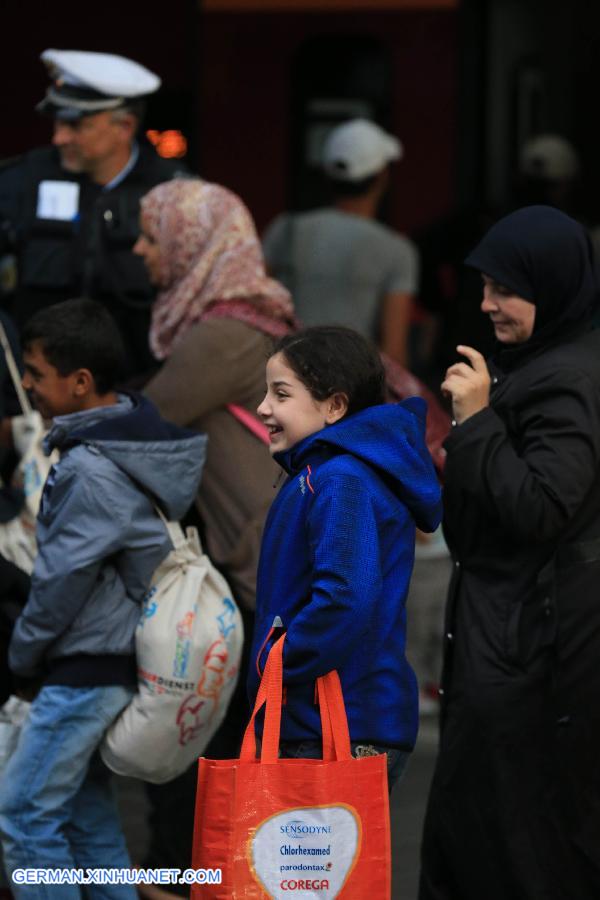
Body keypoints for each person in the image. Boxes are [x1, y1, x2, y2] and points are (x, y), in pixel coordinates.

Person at [419, 206, 600, 899]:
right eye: (486, 286)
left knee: (517, 840)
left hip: (534, 651)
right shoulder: (548, 361)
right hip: (521, 638)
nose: (487, 304)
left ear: (551, 288)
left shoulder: (568, 380)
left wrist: (478, 421)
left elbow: (542, 507)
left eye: (505, 290)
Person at [0, 298, 205, 897]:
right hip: (106, 660)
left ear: (80, 382)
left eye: (35, 374)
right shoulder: (121, 448)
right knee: (87, 826)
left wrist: (22, 654)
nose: (28, 387)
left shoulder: (92, 469)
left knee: (25, 818)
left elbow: (61, 580)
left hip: (83, 668)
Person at [134, 177, 295, 897]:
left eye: (151, 235)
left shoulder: (224, 334)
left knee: (201, 742)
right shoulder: (253, 320)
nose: (140, 250)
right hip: (266, 567)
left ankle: (182, 877)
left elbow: (142, 425)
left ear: (193, 242)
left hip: (254, 573)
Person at [249, 326, 442, 789]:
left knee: (308, 864)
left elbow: (346, 596)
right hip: (337, 718)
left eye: (281, 393)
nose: (263, 408)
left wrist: (277, 663)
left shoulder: (339, 478)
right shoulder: (329, 471)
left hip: (334, 723)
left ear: (334, 406)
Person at [0, 49, 185, 377]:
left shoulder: (171, 190)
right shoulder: (21, 180)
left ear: (124, 126)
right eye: (57, 123)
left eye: (75, 125)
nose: (59, 138)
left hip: (137, 392)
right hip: (34, 389)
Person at [262, 119, 419, 366]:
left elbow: (254, 307)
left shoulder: (287, 228)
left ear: (327, 172)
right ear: (382, 176)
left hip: (285, 378)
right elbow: (394, 352)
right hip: (351, 385)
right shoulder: (397, 250)